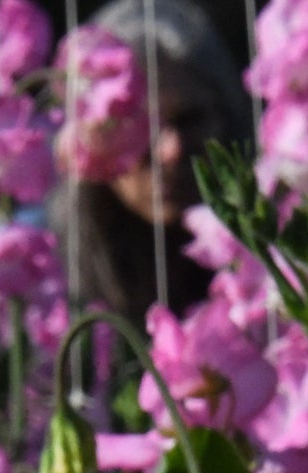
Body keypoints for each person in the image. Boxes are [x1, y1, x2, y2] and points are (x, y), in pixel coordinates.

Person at [56, 0, 250, 321]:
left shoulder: (274, 264)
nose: (170, 150)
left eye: (190, 120)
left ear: (227, 116)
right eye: (141, 128)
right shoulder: (49, 281)